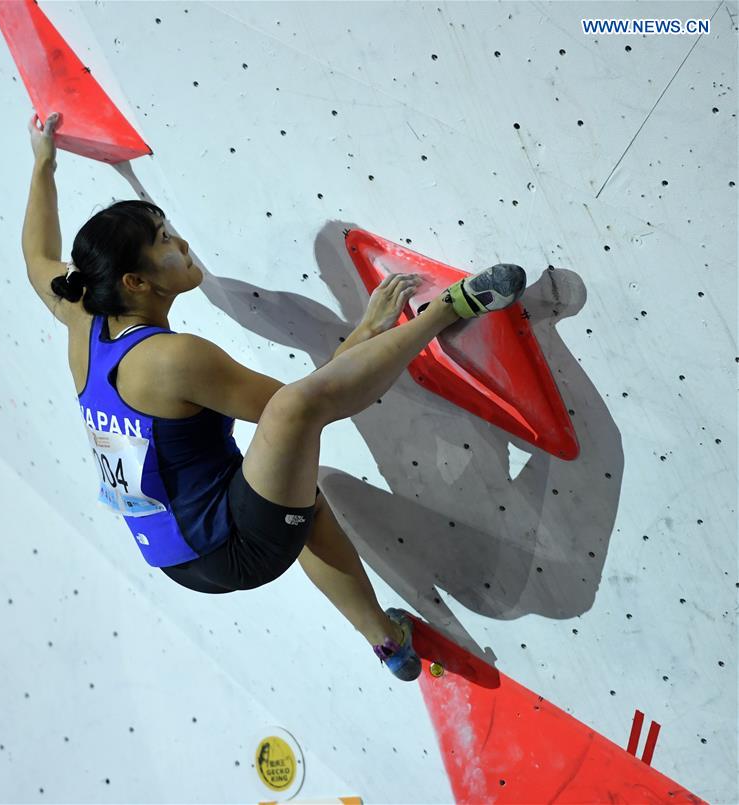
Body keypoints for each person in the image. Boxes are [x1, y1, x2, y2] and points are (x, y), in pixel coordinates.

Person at [28, 113, 527, 682]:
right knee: (292, 421)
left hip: (177, 557)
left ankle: (390, 645)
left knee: (303, 499)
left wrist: (43, 159)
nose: (183, 244)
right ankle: (452, 308)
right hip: (231, 547)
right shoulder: (172, 359)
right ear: (136, 284)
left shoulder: (80, 317)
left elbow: (35, 257)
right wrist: (367, 330)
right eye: (165, 242)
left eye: (170, 229)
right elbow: (306, 407)